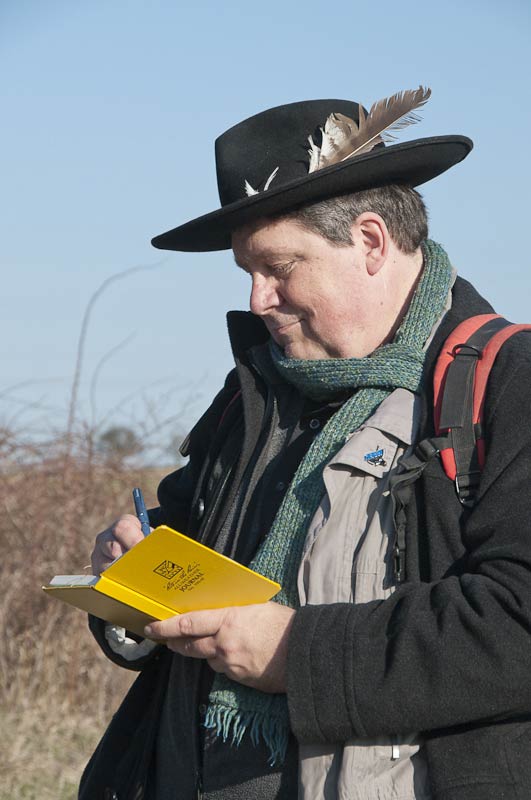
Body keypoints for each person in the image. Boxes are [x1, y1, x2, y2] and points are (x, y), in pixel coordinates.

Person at [82, 88, 531, 800]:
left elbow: (516, 623)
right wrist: (131, 587)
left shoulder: (508, 384)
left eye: (279, 267)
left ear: (371, 242)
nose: (257, 299)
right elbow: (191, 550)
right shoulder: (253, 392)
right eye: (247, 273)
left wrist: (294, 653)